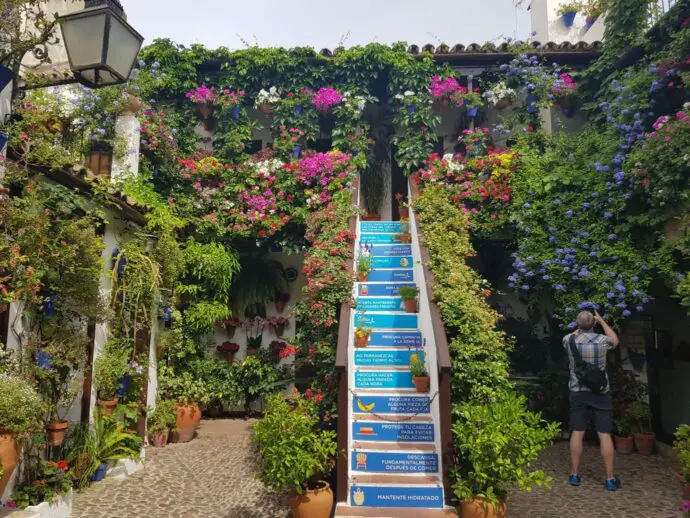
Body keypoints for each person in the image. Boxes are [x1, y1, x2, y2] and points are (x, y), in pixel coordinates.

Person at [563, 309, 620, 491]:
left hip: (578, 392)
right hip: (600, 393)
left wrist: (579, 326)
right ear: (593, 324)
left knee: (577, 432)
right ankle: (610, 479)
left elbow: (573, 335)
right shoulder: (603, 341)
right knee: (604, 434)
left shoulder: (568, 340)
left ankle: (574, 475)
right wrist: (601, 320)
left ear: (578, 325)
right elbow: (615, 340)